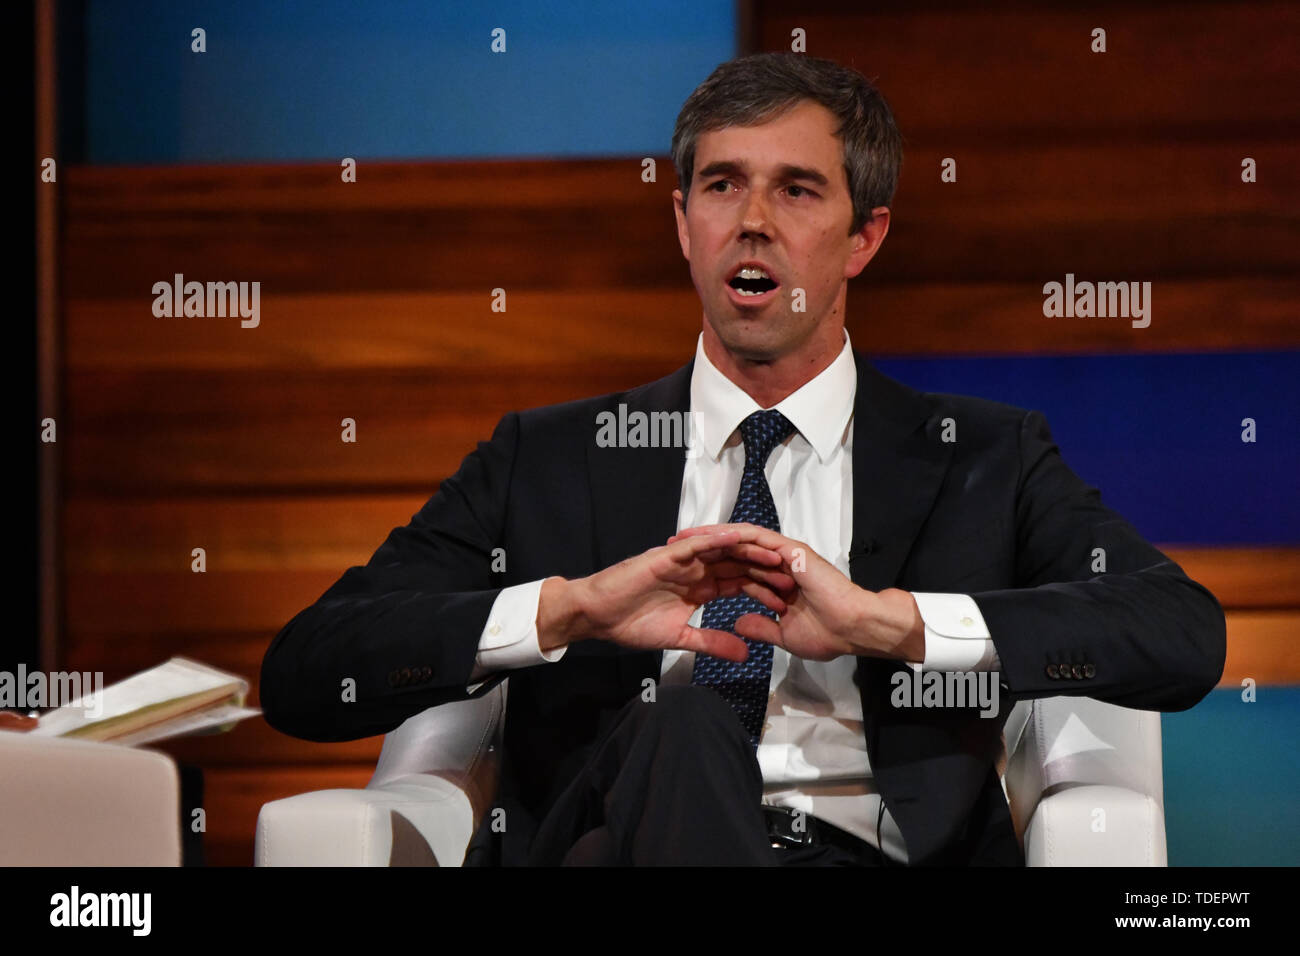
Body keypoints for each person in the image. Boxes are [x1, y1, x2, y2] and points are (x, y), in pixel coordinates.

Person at [260, 52, 1226, 866]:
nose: (752, 220)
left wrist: (890, 625)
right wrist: (569, 609)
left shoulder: (983, 456)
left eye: (796, 190)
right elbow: (308, 668)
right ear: (685, 226)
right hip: (613, 847)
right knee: (684, 722)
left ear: (865, 237)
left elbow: (1181, 634)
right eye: (722, 185)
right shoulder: (545, 458)